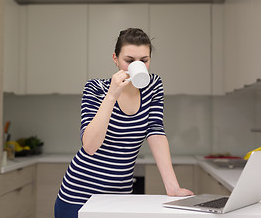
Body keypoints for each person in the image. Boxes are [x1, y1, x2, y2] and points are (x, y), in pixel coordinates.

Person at [54, 28, 193, 218]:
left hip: (120, 195)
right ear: (115, 59)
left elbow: (156, 132)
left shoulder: (153, 86)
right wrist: (112, 95)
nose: (138, 66)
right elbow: (90, 146)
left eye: (144, 60)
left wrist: (173, 188)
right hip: (79, 196)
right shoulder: (95, 88)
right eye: (129, 61)